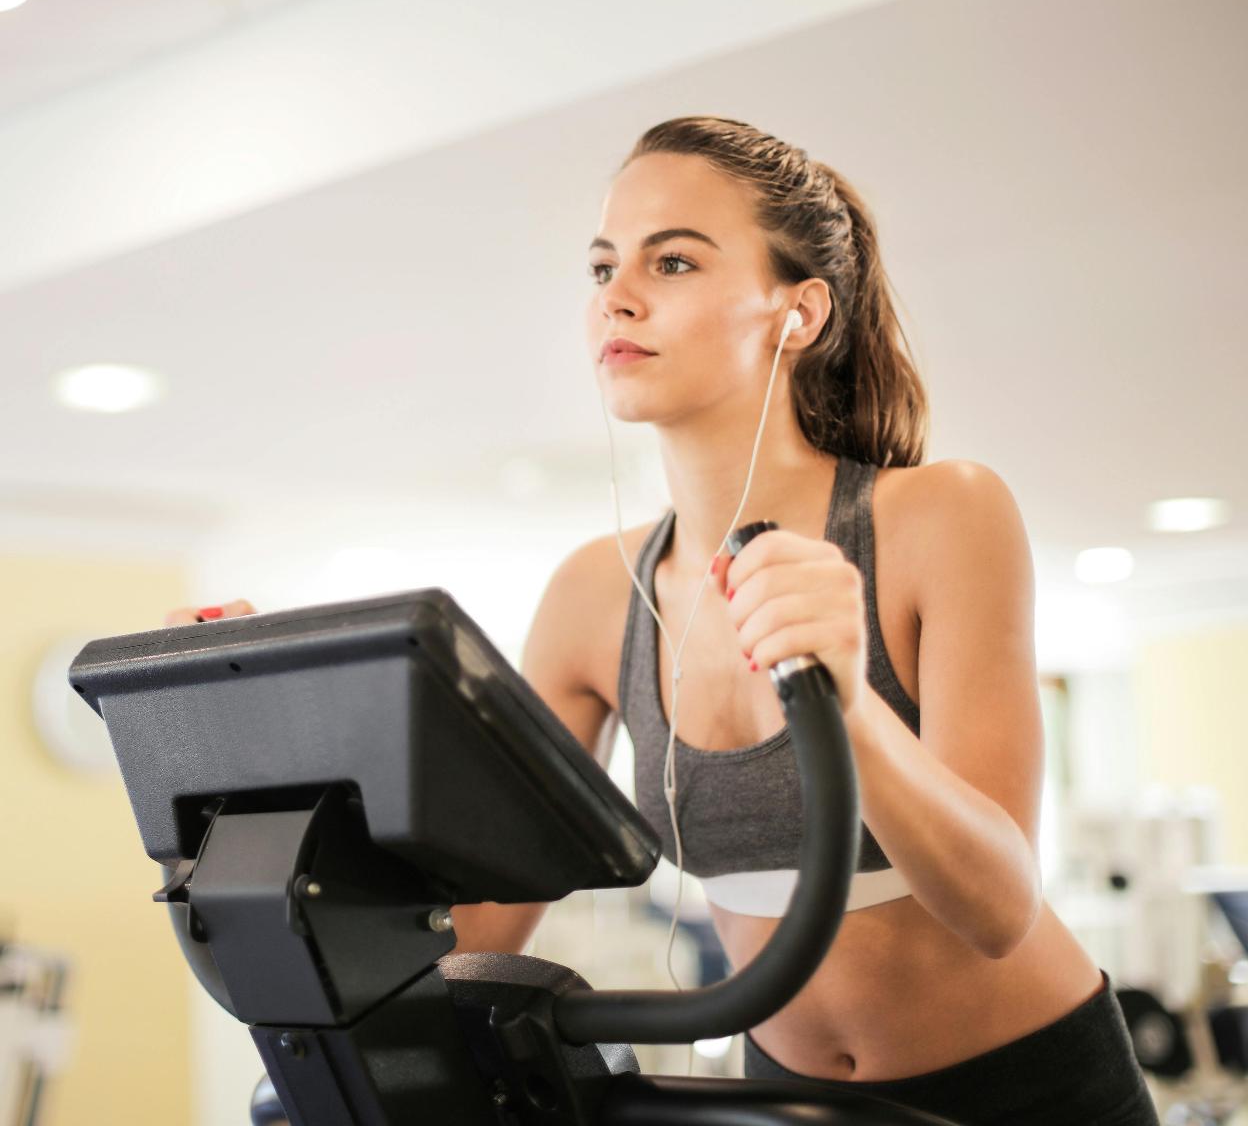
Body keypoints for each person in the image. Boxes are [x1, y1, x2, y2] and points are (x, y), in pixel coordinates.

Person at [166, 116, 1158, 1125]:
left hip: (1033, 1081)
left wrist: (846, 699)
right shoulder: (596, 592)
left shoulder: (937, 516)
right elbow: (480, 931)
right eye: (602, 269)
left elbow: (998, 908)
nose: (617, 298)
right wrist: (275, 759)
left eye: (672, 260)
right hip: (790, 1097)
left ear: (797, 312)